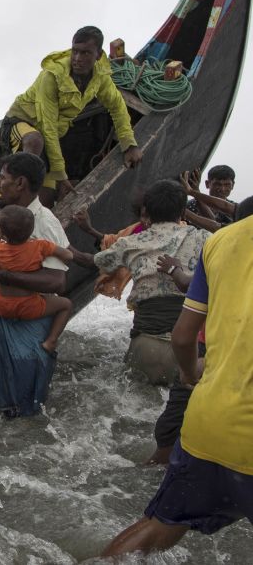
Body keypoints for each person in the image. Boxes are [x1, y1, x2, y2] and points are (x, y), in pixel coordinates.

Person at [101, 215, 253, 558]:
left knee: (157, 526)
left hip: (208, 422)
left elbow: (183, 336)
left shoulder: (221, 240)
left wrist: (188, 374)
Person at [0, 153, 70, 417]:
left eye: (3, 179)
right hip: (11, 317)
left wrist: (1, 276)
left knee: (26, 406)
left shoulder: (42, 223)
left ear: (20, 183)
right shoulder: (13, 222)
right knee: (13, 405)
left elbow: (57, 281)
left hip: (30, 322)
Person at [75, 180, 210, 386]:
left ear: (146, 211)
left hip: (146, 345)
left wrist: (60, 248)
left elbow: (91, 261)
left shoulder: (130, 242)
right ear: (183, 212)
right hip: (192, 349)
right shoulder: (205, 239)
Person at [3, 26, 143, 206]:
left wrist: (129, 144)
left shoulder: (100, 76)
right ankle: (12, 202)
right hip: (21, 123)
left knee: (46, 200)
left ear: (98, 55)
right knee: (35, 141)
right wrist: (61, 173)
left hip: (50, 136)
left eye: (85, 53)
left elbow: (117, 106)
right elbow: (48, 126)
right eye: (75, 52)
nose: (77, 59)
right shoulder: (52, 76)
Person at [0, 205, 74, 353]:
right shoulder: (40, 245)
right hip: (30, 307)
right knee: (66, 305)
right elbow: (68, 256)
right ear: (31, 231)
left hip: (3, 306)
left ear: (3, 234)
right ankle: (50, 342)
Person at [181, 167, 237, 232]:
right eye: (217, 184)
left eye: (227, 185)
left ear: (232, 185)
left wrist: (195, 193)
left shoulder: (233, 210)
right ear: (207, 184)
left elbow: (216, 228)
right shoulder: (190, 205)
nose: (222, 189)